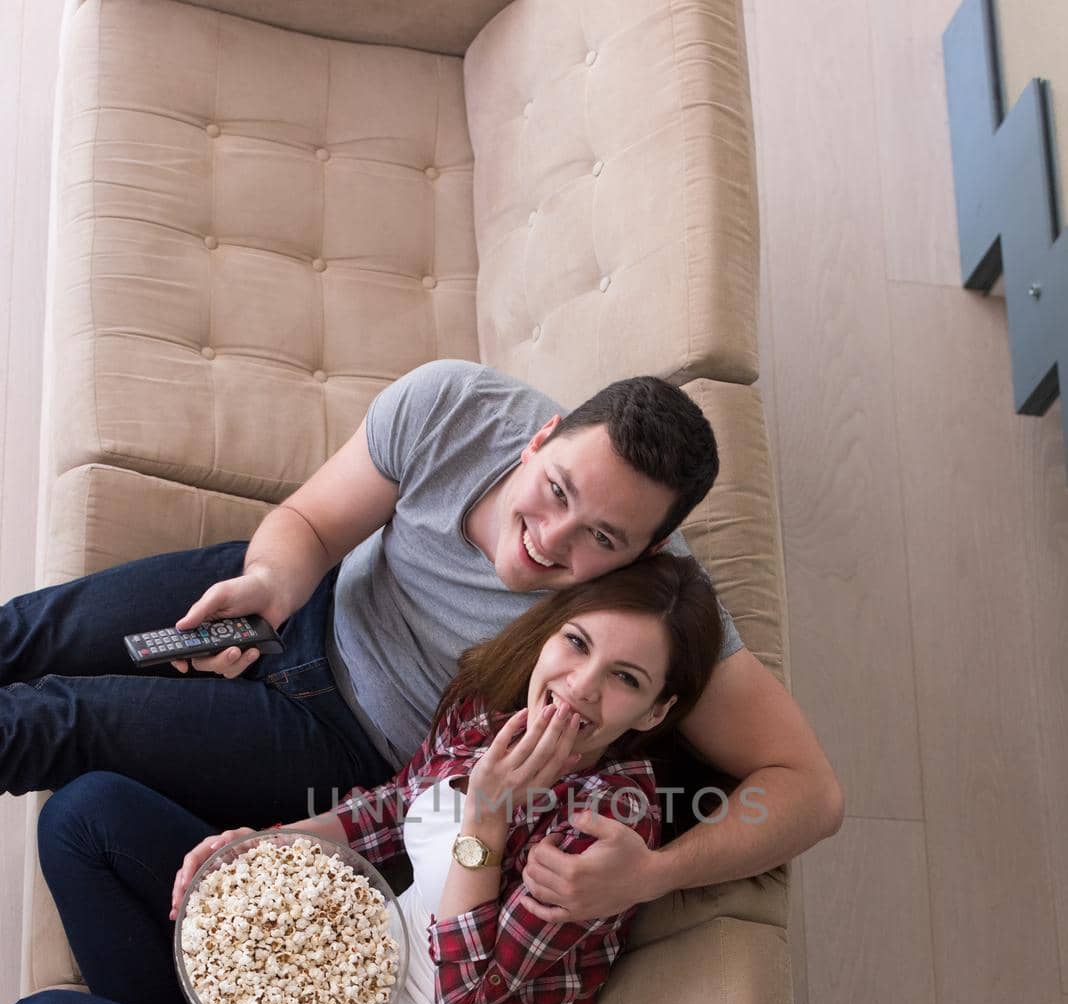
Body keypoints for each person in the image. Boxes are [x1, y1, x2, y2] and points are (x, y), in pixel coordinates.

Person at [0, 555, 723, 1004]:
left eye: (625, 680)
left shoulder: (608, 827)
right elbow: (390, 810)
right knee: (84, 815)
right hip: (340, 983)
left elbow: (468, 991)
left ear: (656, 711)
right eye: (577, 643)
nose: (580, 688)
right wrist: (264, 844)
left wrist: (490, 820)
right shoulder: (490, 705)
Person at [0, 360, 843, 929]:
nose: (550, 540)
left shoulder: (653, 606)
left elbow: (809, 793)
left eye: (601, 538)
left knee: (55, 722)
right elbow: (311, 523)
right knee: (29, 633)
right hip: (303, 605)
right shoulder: (454, 406)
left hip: (343, 744)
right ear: (540, 437)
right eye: (554, 491)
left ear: (648, 554)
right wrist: (270, 584)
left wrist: (656, 876)